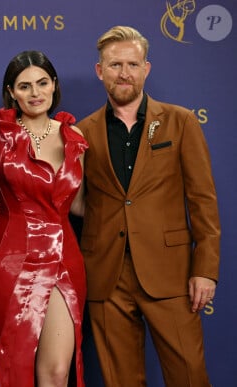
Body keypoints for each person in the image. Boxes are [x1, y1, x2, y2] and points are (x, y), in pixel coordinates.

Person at [77, 26, 220, 386]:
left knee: (189, 375)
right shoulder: (83, 132)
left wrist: (205, 269)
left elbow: (202, 201)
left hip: (170, 272)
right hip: (107, 275)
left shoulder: (181, 121)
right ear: (100, 71)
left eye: (132, 64)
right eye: (114, 65)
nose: (124, 73)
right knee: (120, 380)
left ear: (146, 69)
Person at [0, 50, 88, 386]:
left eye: (42, 83)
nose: (35, 93)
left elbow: (79, 206)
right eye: (24, 86)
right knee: (12, 363)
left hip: (64, 257)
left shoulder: (77, 137)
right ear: (11, 91)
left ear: (54, 86)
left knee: (57, 371)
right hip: (9, 258)